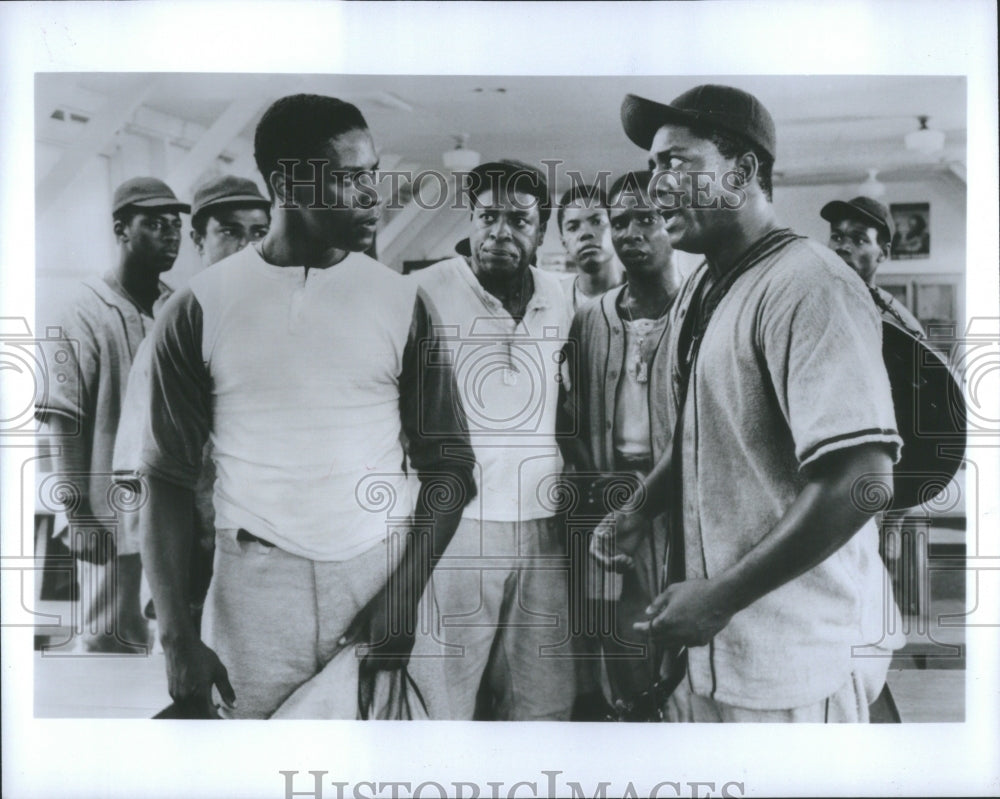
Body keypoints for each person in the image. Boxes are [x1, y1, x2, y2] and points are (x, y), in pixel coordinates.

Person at [138, 94, 475, 719]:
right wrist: (177, 640)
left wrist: (403, 596)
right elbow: (164, 480)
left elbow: (452, 468)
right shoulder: (199, 308)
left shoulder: (400, 302)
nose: (372, 194)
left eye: (372, 174)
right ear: (288, 183)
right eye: (350, 179)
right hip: (255, 595)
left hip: (380, 571)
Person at [594, 84, 906, 722]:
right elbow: (705, 436)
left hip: (791, 657)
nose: (658, 186)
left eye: (677, 163)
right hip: (709, 652)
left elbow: (861, 478)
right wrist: (643, 505)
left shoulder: (811, 284)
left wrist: (721, 597)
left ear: (743, 171)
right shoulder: (704, 283)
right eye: (654, 167)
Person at [407, 160, 577, 720]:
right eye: (487, 217)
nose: (500, 232)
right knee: (442, 697)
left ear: (541, 231)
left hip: (544, 525)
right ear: (470, 219)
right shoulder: (419, 293)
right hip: (458, 530)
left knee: (542, 698)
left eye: (518, 220)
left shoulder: (565, 297)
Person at [112, 174, 272, 631]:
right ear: (199, 239)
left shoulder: (274, 317)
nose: (246, 245)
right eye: (230, 231)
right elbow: (138, 465)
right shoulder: (179, 325)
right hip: (198, 548)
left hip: (265, 546)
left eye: (258, 231)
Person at [37, 176, 189, 653]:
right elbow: (63, 416)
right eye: (153, 224)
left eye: (175, 225)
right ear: (122, 229)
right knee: (111, 635)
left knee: (172, 641)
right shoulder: (81, 308)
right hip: (109, 515)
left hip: (169, 504)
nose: (170, 234)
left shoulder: (174, 305)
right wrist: (78, 514)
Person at [559, 170, 681, 715]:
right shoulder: (591, 320)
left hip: (681, 498)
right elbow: (575, 418)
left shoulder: (701, 309)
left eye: (646, 219)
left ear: (673, 224)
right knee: (622, 640)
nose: (631, 232)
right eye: (623, 220)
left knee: (683, 634)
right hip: (613, 498)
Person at [821, 195, 925, 337]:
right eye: (837, 237)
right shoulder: (810, 303)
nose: (843, 247)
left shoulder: (898, 323)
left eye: (859, 240)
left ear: (883, 253)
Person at [557, 183, 625, 311]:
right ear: (564, 242)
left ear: (615, 228)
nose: (586, 233)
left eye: (597, 221)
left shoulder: (647, 293)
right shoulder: (553, 299)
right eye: (573, 227)